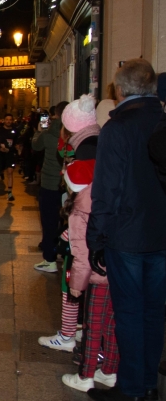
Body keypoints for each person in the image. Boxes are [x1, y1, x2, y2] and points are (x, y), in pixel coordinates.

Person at [86, 59, 166, 401]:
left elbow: (107, 189)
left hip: (127, 234)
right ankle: (148, 382)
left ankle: (131, 388)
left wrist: (96, 237)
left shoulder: (117, 127)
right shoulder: (161, 120)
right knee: (154, 311)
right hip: (160, 232)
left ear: (120, 89)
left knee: (130, 312)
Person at [52, 95, 118, 393]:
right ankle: (110, 370)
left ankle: (87, 373)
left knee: (93, 323)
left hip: (96, 270)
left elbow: (81, 254)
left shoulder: (81, 209)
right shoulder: (101, 184)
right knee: (112, 324)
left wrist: (76, 285)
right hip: (115, 261)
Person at [32, 101, 69, 273]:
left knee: (49, 222)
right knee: (67, 221)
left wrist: (38, 132)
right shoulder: (74, 132)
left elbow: (35, 146)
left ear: (55, 115)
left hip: (49, 184)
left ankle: (49, 259)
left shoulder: (48, 134)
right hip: (69, 186)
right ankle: (64, 251)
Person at [0, 114, 18, 202]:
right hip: (1, 155)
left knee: (10, 172)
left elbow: (17, 142)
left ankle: (10, 192)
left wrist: (17, 148)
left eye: (10, 119)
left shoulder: (15, 130)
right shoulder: (0, 130)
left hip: (10, 154)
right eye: (7, 119)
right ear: (4, 120)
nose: (8, 121)